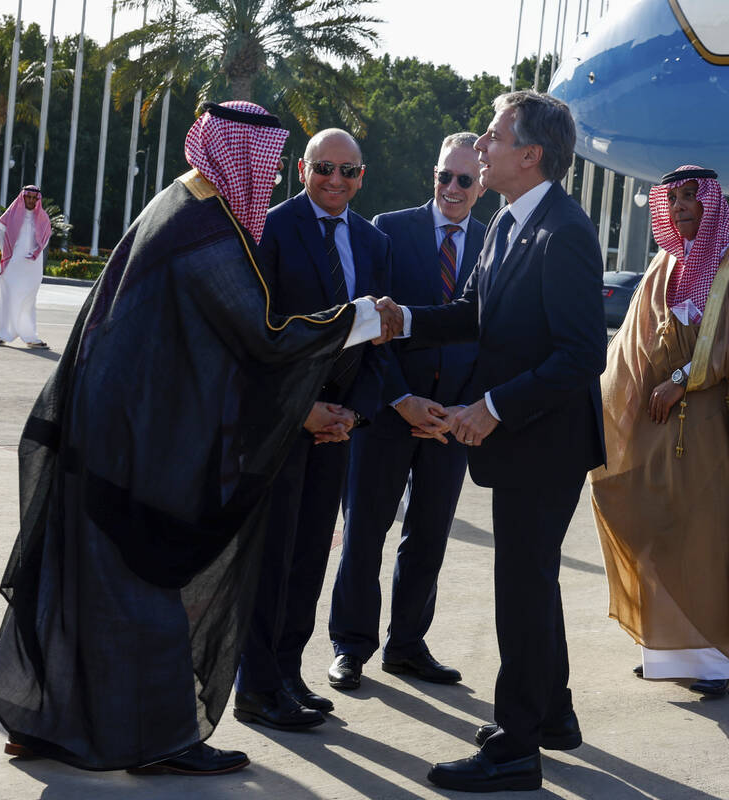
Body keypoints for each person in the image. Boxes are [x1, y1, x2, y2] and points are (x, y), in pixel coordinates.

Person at [0, 101, 398, 776]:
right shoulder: (203, 225)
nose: (263, 185)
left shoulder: (182, 203)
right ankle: (163, 741)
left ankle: (47, 723)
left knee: (90, 584)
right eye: (264, 166)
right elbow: (260, 335)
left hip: (118, 428)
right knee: (148, 591)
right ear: (240, 156)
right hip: (134, 441)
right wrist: (354, 320)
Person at [380, 90, 606, 793]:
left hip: (546, 442)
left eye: (494, 133)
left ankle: (516, 749)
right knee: (532, 582)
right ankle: (554, 717)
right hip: (521, 439)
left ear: (530, 154)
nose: (480, 143)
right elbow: (470, 314)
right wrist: (403, 321)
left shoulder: (564, 232)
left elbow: (579, 356)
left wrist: (493, 408)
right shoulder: (509, 224)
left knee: (521, 587)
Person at [589, 166, 729, 697]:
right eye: (671, 199)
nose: (680, 207)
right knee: (657, 532)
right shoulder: (663, 263)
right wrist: (604, 406)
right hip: (656, 428)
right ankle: (666, 649)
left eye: (691, 197)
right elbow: (631, 347)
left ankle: (716, 663)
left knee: (708, 541)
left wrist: (682, 379)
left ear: (714, 202)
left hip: (712, 427)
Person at [233, 128, 393, 730]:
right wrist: (302, 408)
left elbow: (378, 337)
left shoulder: (374, 244)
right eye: (324, 167)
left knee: (308, 556)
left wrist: (355, 412)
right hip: (282, 422)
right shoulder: (271, 229)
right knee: (272, 556)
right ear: (303, 167)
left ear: (362, 177)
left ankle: (287, 672)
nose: (335, 180)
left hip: (338, 428)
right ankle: (255, 686)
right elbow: (256, 332)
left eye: (348, 171)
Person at [325, 132, 486, 691]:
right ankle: (351, 646)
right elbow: (372, 324)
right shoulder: (390, 229)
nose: (452, 188)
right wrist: (400, 398)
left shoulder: (496, 243)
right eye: (445, 175)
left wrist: (464, 407)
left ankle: (408, 644)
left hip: (453, 419)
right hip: (388, 409)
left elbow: (491, 333)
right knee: (364, 531)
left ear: (481, 184)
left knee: (429, 535)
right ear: (433, 175)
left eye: (465, 179)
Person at [0, 185, 51, 349]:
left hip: (32, 265)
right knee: (7, 297)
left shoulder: (43, 218)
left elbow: (45, 240)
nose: (31, 200)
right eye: (28, 197)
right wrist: (7, 253)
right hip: (12, 263)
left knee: (28, 300)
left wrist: (34, 253)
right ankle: (1, 335)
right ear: (23, 197)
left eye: (34, 198)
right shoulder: (11, 214)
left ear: (38, 200)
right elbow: (0, 232)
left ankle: (30, 336)